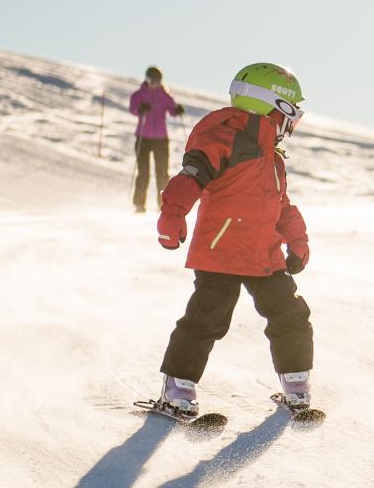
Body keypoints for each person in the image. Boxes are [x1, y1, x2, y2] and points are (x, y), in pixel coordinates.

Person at [151, 63, 317, 416]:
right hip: (221, 252)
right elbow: (190, 177)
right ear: (275, 105)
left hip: (263, 256)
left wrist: (297, 239)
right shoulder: (225, 137)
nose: (293, 123)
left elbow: (280, 204)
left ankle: (296, 385)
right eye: (293, 113)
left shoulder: (272, 157)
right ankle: (177, 389)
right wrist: (173, 214)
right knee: (206, 318)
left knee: (290, 315)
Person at [128, 67, 184, 213]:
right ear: (146, 79)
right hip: (143, 138)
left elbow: (172, 110)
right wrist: (141, 108)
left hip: (161, 138)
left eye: (157, 81)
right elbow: (133, 109)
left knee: (162, 171)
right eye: (151, 80)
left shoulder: (165, 95)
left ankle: (162, 204)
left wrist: (177, 110)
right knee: (143, 171)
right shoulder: (138, 95)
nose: (154, 83)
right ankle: (139, 204)